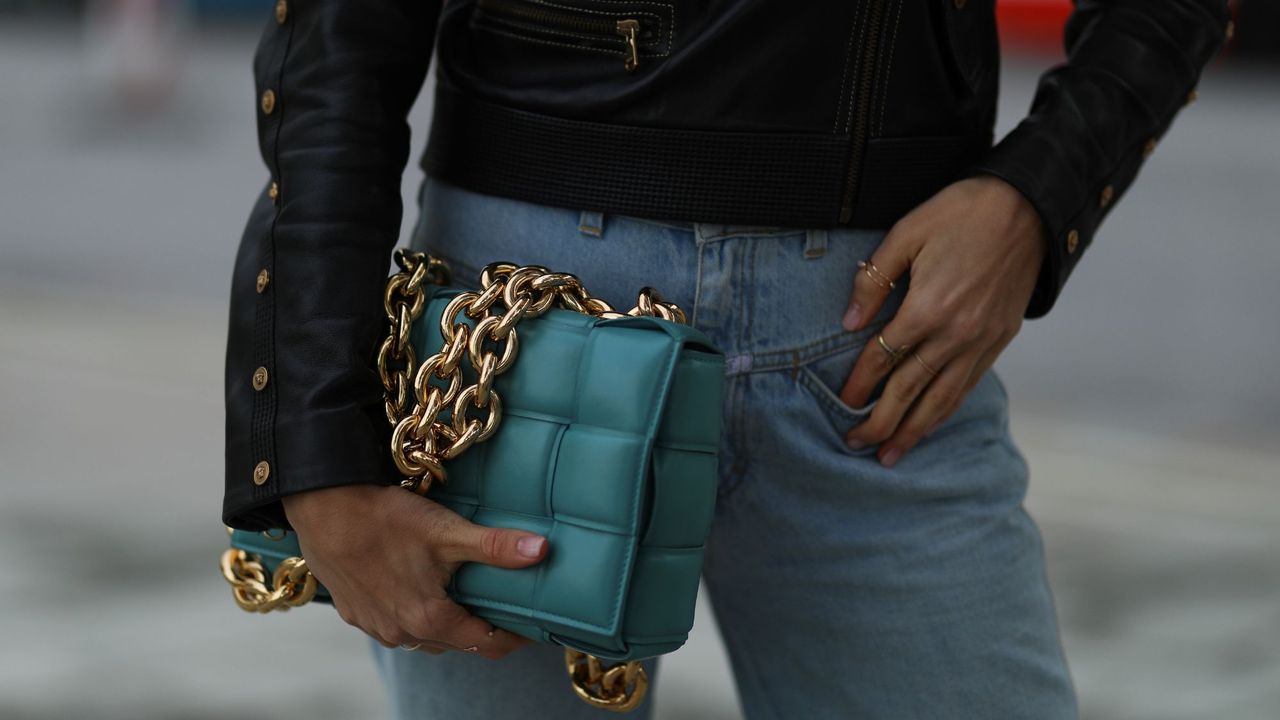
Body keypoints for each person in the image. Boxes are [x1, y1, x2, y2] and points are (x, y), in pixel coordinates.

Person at [222, 1, 1229, 717]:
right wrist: (313, 445)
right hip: (508, 352)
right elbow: (336, 37)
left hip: (882, 355)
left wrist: (1039, 193)